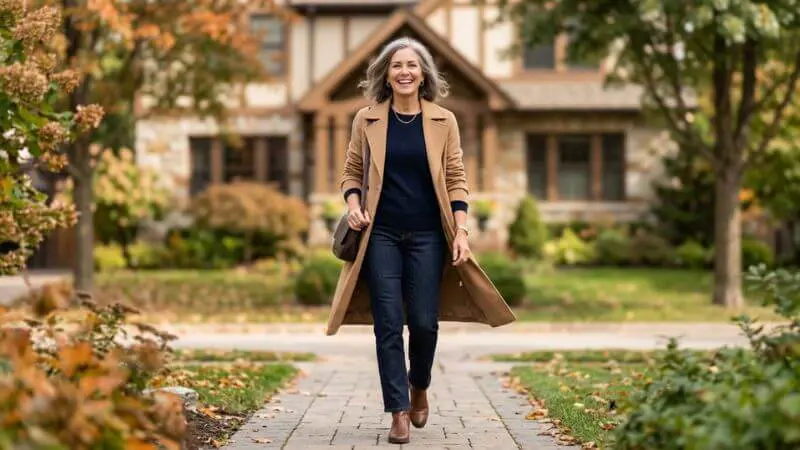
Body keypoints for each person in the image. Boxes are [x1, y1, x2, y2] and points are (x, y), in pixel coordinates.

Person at [326, 37, 516, 445]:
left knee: (425, 323)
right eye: (397, 66)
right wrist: (353, 205)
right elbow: (351, 172)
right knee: (388, 324)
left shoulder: (444, 120)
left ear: (424, 74)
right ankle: (398, 412)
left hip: (429, 235)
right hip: (380, 235)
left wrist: (461, 231)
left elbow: (456, 178)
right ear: (386, 75)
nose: (405, 72)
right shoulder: (366, 119)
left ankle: (419, 386)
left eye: (412, 65)